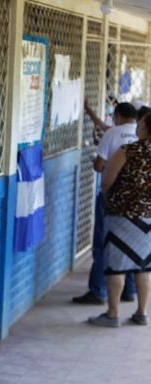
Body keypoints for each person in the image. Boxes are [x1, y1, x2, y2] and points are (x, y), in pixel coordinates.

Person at [88, 112, 151, 327]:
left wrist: (109, 200)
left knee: (116, 264)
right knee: (144, 266)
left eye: (140, 124)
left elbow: (106, 181)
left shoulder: (127, 151)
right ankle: (141, 312)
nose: (137, 127)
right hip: (149, 218)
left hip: (122, 215)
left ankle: (113, 314)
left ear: (144, 129)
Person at [73, 102, 138, 305]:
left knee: (103, 243)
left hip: (112, 197)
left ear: (117, 116)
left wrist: (100, 162)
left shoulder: (113, 134)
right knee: (132, 243)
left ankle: (98, 290)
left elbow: (99, 165)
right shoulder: (142, 135)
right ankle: (130, 290)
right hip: (137, 201)